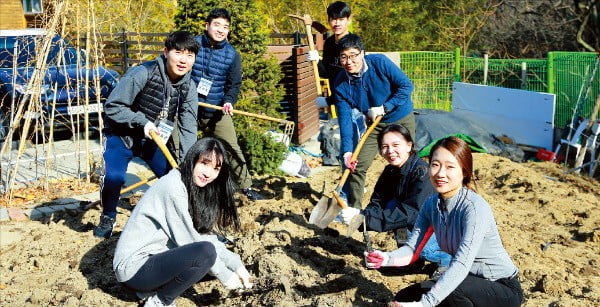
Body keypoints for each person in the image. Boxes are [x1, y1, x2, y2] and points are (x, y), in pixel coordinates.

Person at [364, 136, 523, 307]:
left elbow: (461, 264)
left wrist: (426, 303)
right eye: (435, 165)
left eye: (450, 167)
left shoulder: (475, 208)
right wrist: (386, 258)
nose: (440, 173)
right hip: (468, 281)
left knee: (453, 291)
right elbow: (412, 249)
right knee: (406, 297)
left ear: (464, 172)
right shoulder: (431, 204)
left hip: (501, 287)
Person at [113, 137, 254, 307]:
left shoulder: (193, 187)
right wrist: (226, 275)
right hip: (134, 268)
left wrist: (236, 265)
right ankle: (160, 301)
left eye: (216, 168)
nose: (208, 173)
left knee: (209, 259)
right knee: (206, 254)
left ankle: (152, 289)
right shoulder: (173, 187)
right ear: (193, 159)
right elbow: (190, 240)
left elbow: (203, 235)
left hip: (154, 260)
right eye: (204, 163)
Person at [96, 31, 199, 239]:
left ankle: (184, 220)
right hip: (121, 136)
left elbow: (188, 126)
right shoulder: (143, 73)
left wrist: (188, 162)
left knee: (175, 177)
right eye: (178, 53)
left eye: (189, 55)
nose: (183, 60)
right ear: (166, 52)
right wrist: (142, 122)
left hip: (154, 141)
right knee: (114, 177)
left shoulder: (189, 86)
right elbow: (113, 106)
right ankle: (108, 216)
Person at [342, 124, 451, 277]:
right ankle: (412, 261)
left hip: (439, 226)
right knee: (393, 208)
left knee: (423, 246)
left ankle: (446, 258)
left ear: (409, 146)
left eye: (395, 145)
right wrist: (361, 216)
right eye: (384, 147)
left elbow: (411, 212)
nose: (390, 151)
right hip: (413, 224)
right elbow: (377, 203)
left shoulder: (422, 173)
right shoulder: (390, 172)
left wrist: (365, 218)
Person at [332, 33, 415, 211]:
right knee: (356, 165)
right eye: (344, 57)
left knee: (406, 162)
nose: (349, 61)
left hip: (400, 117)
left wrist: (386, 107)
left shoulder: (379, 63)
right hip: (375, 125)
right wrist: (347, 152)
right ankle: (354, 210)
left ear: (362, 53)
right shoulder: (340, 84)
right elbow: (345, 120)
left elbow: (406, 86)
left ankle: (409, 205)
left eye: (353, 55)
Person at [191, 8, 264, 201]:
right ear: (207, 26)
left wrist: (229, 101)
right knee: (183, 146)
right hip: (188, 108)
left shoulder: (232, 55)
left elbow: (234, 84)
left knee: (231, 146)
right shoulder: (193, 45)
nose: (221, 30)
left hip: (216, 110)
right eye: (217, 25)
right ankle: (183, 183)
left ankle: (246, 186)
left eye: (226, 27)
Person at [309, 0, 352, 106]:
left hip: (353, 102)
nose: (337, 23)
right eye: (333, 19)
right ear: (329, 21)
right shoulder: (329, 43)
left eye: (341, 19)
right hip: (338, 101)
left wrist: (329, 101)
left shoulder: (353, 44)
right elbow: (326, 73)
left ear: (348, 20)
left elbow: (354, 80)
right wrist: (317, 61)